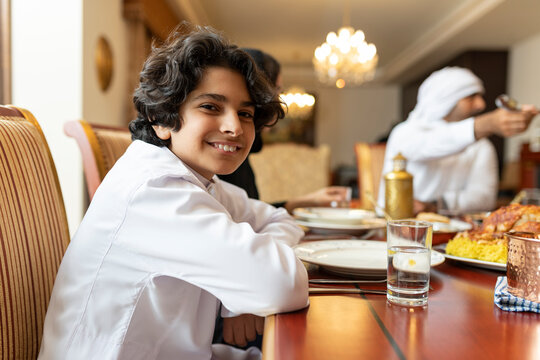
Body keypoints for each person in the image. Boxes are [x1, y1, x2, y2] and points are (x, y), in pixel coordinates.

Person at [38, 25, 308, 360]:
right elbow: (281, 285)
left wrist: (240, 291)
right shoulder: (155, 191)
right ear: (161, 119)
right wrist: (251, 281)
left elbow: (281, 220)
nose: (234, 127)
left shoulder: (201, 182)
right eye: (211, 106)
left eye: (245, 113)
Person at [378, 66, 539, 214]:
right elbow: (430, 145)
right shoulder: (405, 132)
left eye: (480, 96)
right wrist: (488, 123)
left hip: (454, 233)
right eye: (471, 97)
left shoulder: (482, 146)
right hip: (391, 229)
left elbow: (483, 197)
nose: (481, 104)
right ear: (445, 100)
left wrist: (435, 205)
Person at [219, 48, 350, 213]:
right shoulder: (224, 154)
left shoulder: (240, 155)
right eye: (277, 90)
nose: (278, 103)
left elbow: (250, 214)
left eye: (245, 113)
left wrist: (311, 200)